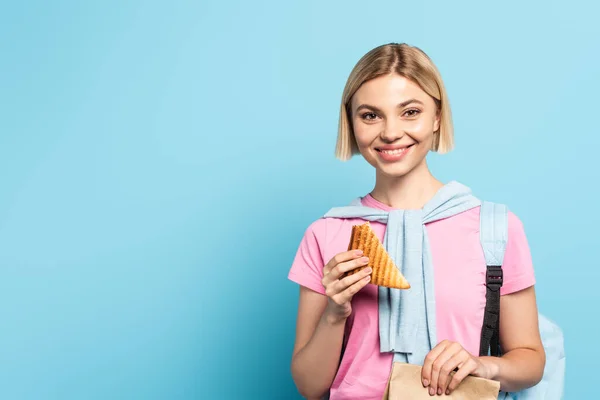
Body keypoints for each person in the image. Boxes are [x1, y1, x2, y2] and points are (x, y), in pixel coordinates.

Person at [287, 43, 546, 400]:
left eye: (410, 112)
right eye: (370, 115)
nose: (391, 132)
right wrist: (335, 312)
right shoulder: (327, 234)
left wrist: (482, 364)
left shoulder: (495, 228)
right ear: (351, 122)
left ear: (438, 116)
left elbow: (531, 361)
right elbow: (308, 385)